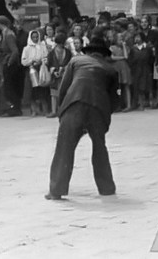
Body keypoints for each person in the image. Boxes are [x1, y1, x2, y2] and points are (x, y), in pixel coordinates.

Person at [45, 37, 119, 200]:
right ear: (104, 54)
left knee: (64, 148)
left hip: (74, 104)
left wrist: (62, 112)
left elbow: (63, 88)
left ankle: (56, 190)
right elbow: (114, 100)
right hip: (98, 108)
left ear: (88, 52)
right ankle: (106, 188)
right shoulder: (111, 70)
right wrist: (104, 117)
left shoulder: (76, 61)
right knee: (100, 147)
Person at [0, 16, 23, 117]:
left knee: (9, 87)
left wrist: (9, 62)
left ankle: (15, 108)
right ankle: (13, 107)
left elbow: (15, 51)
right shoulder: (6, 33)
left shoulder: (8, 34)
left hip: (10, 63)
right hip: (7, 61)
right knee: (8, 87)